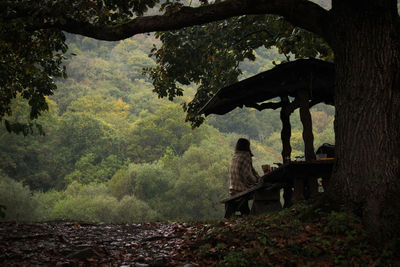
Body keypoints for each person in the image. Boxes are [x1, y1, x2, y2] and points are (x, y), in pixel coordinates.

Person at [228, 138, 261, 216]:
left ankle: (247, 214)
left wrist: (258, 177)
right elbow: (248, 175)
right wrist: (257, 181)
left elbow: (251, 169)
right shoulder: (246, 155)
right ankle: (258, 214)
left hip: (233, 188)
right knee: (263, 190)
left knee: (244, 209)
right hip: (241, 188)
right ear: (247, 146)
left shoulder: (235, 155)